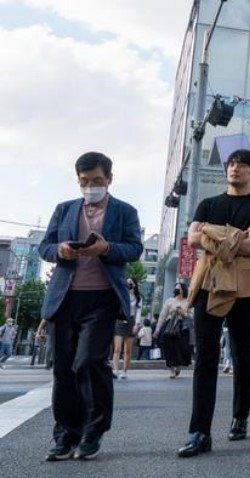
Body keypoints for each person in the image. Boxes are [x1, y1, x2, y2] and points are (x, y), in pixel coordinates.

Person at [38, 151, 143, 461]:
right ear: (78, 181)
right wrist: (60, 249)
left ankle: (93, 431)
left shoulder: (125, 211)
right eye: (85, 182)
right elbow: (45, 247)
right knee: (64, 370)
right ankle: (65, 435)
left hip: (102, 299)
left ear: (109, 179)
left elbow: (135, 248)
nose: (91, 186)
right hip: (65, 297)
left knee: (88, 362)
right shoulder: (64, 210)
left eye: (97, 180)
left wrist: (106, 248)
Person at [177, 149, 250, 458]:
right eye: (231, 164)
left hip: (245, 286)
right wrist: (233, 238)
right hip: (208, 282)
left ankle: (240, 416)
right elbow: (191, 238)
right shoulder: (208, 203)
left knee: (241, 352)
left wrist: (211, 233)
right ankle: (199, 431)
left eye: (243, 166)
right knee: (205, 356)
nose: (235, 169)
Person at [155, 283, 192, 378]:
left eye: (179, 288)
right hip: (170, 327)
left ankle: (179, 366)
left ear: (183, 290)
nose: (176, 289)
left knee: (182, 348)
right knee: (170, 348)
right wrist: (157, 329)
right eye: (175, 287)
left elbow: (192, 316)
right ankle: (172, 369)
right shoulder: (169, 301)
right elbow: (162, 316)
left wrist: (183, 313)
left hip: (183, 327)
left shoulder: (188, 301)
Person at [112, 278, 141, 379]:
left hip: (131, 321)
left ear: (135, 285)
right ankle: (115, 370)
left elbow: (138, 312)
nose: (129, 285)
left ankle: (125, 370)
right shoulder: (121, 294)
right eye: (127, 283)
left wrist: (136, 324)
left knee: (127, 350)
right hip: (120, 320)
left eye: (131, 283)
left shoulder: (138, 298)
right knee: (117, 348)